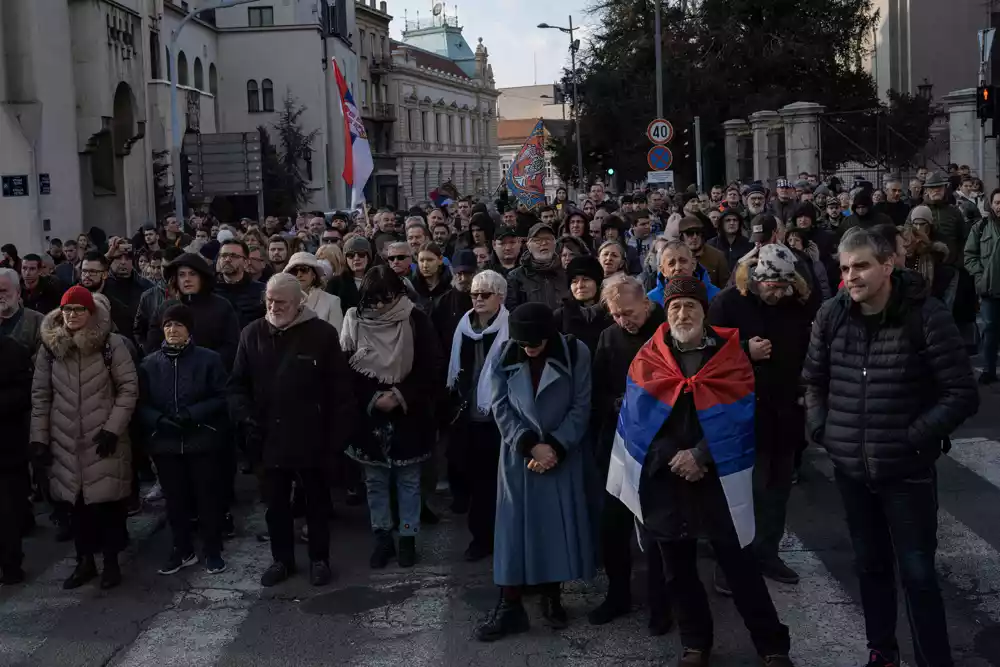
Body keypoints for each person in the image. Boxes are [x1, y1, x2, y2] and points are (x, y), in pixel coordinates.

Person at [802, 228, 979, 667]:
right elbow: (813, 382)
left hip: (907, 472)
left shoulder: (926, 315)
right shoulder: (831, 314)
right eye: (844, 268)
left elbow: (961, 393)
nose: (850, 276)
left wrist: (913, 437)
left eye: (860, 265)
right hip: (852, 472)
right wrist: (824, 430)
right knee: (870, 566)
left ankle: (933, 659)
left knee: (918, 574)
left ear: (887, 266)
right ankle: (882, 652)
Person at [607, 276, 793, 667]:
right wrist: (675, 456)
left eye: (690, 305)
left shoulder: (730, 355)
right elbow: (637, 423)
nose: (682, 312)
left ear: (704, 310)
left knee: (739, 565)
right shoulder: (648, 357)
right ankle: (695, 643)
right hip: (667, 477)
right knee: (677, 569)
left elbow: (741, 414)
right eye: (675, 306)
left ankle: (772, 645)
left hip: (718, 476)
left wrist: (701, 455)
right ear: (666, 310)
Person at [475, 302, 595, 642]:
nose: (529, 349)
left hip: (561, 453)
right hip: (519, 456)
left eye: (536, 343)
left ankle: (551, 596)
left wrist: (555, 446)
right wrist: (529, 444)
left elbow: (582, 404)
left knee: (554, 526)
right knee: (512, 530)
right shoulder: (504, 352)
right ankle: (510, 606)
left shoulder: (576, 352)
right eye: (524, 343)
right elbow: (499, 405)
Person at [229, 273, 356, 587]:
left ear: (300, 302)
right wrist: (246, 420)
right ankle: (281, 560)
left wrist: (335, 441)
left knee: (315, 504)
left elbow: (341, 393)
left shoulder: (323, 335)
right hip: (267, 438)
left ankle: (319, 560)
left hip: (312, 438)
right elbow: (236, 387)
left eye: (281, 301)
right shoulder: (251, 334)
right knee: (275, 507)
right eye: (269, 301)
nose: (274, 307)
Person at [708, 244, 818, 591]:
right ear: (757, 278)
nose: (778, 293)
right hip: (740, 415)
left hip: (784, 412)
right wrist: (744, 351)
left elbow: (807, 348)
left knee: (777, 490)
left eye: (784, 286)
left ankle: (767, 553)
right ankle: (731, 565)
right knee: (741, 494)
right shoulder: (728, 304)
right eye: (772, 286)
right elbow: (705, 353)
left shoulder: (794, 304)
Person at [31, 286, 138, 590]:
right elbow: (41, 396)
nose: (73, 315)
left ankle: (112, 563)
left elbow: (128, 389)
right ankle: (85, 561)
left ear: (91, 312)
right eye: (68, 310)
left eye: (79, 310)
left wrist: (112, 428)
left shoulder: (111, 344)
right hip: (65, 441)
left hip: (103, 438)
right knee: (75, 508)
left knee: (107, 505)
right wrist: (39, 438)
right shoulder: (50, 348)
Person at [341, 266, 444, 570]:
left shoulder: (415, 318)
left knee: (409, 480)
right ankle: (382, 537)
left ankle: (408, 538)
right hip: (370, 415)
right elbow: (346, 368)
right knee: (375, 480)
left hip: (408, 413)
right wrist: (373, 398)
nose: (380, 305)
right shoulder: (354, 320)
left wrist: (400, 395)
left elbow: (432, 364)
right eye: (374, 298)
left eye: (387, 297)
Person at [588, 277, 671, 633]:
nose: (624, 321)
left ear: (646, 304)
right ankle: (618, 594)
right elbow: (597, 388)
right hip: (619, 443)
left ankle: (661, 603)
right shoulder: (609, 337)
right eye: (617, 315)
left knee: (657, 530)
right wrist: (614, 402)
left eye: (629, 313)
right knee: (613, 525)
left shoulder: (667, 329)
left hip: (660, 445)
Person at [137, 302, 229, 576]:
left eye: (179, 325)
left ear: (190, 329)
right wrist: (157, 421)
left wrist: (193, 413)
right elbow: (141, 402)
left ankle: (212, 548)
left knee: (207, 498)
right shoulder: (150, 363)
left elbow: (222, 396)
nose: (173, 330)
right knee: (175, 500)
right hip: (165, 443)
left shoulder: (208, 359)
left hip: (201, 440)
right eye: (168, 325)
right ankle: (182, 548)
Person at [446, 270, 509, 561]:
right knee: (476, 482)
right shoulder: (463, 326)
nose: (479, 299)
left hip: (500, 418)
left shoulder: (511, 327)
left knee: (495, 484)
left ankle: (499, 539)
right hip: (467, 415)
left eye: (486, 294)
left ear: (501, 296)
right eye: (474, 294)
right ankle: (480, 538)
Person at [145, 254, 241, 370]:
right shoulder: (165, 309)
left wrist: (206, 365)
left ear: (202, 277)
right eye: (182, 275)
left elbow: (231, 347)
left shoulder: (222, 306)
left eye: (192, 274)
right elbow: (153, 346)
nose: (187, 279)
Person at [0, 335, 33, 584]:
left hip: (6, 447)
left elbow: (26, 392)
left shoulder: (12, 349)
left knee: (7, 512)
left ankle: (11, 565)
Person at [965, 188, 1000, 383]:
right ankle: (989, 370)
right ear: (991, 205)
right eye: (997, 202)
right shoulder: (981, 227)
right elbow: (970, 255)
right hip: (989, 290)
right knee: (990, 331)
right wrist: (980, 277)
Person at [413, 242, 471, 352]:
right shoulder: (413, 289)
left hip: (448, 347)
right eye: (421, 260)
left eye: (430, 260)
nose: (425, 265)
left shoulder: (451, 288)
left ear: (440, 260)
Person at [552, 255, 611, 353]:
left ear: (597, 283)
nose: (580, 286)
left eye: (586, 279)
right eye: (574, 281)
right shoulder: (560, 316)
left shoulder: (613, 313)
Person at [505, 222, 568, 311]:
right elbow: (513, 311)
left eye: (548, 239)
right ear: (528, 246)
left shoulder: (566, 273)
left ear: (555, 244)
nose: (544, 243)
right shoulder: (516, 276)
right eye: (538, 240)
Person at [284, 252, 344, 332]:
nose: (299, 275)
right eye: (294, 271)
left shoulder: (332, 302)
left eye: (304, 269)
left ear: (314, 274)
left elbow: (336, 337)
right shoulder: (281, 301)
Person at [648, 241, 720, 306]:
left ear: (693, 264)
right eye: (671, 263)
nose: (678, 267)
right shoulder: (651, 300)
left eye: (683, 261)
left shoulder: (716, 296)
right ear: (663, 271)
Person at [214, 239, 265, 330]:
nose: (227, 259)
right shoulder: (208, 289)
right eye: (224, 255)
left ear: (245, 262)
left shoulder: (261, 291)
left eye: (234, 256)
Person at [921, 171, 967, 267]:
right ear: (926, 190)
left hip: (952, 265)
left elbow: (964, 239)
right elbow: (909, 238)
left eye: (939, 187)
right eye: (932, 187)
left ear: (944, 189)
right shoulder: (918, 211)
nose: (936, 190)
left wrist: (960, 261)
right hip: (925, 264)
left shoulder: (954, 211)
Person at [679, 217, 730, 288]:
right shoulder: (675, 257)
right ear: (681, 237)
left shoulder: (717, 256)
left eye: (698, 233)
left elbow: (726, 288)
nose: (695, 237)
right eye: (689, 233)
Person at [707, 208, 754, 272]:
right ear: (722, 223)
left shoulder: (748, 244)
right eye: (728, 220)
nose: (732, 223)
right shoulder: (711, 245)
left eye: (735, 220)